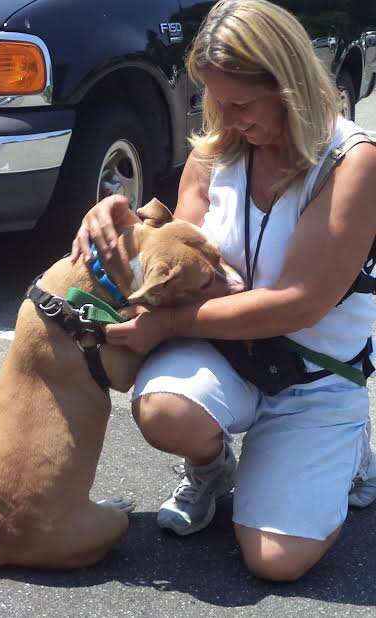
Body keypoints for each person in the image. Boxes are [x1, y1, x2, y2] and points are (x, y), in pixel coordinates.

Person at [71, 0, 376, 582]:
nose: (226, 119)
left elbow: (301, 302)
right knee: (165, 410)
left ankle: (343, 447)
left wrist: (166, 327)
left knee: (275, 561)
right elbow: (176, 256)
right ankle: (213, 468)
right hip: (226, 351)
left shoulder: (349, 161)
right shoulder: (215, 153)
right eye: (215, 102)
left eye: (240, 104)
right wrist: (123, 221)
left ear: (290, 87)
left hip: (311, 371)